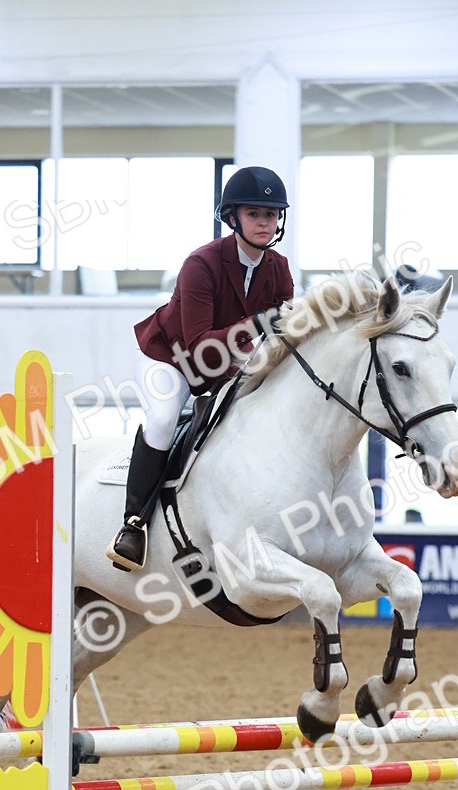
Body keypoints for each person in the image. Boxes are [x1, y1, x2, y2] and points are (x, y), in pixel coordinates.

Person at [107, 165, 294, 570]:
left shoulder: (278, 268)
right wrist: (258, 323)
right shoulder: (201, 264)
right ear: (232, 218)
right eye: (254, 214)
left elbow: (284, 333)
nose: (265, 223)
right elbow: (198, 347)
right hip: (172, 360)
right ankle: (133, 525)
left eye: (272, 215)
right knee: (161, 420)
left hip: (230, 367)